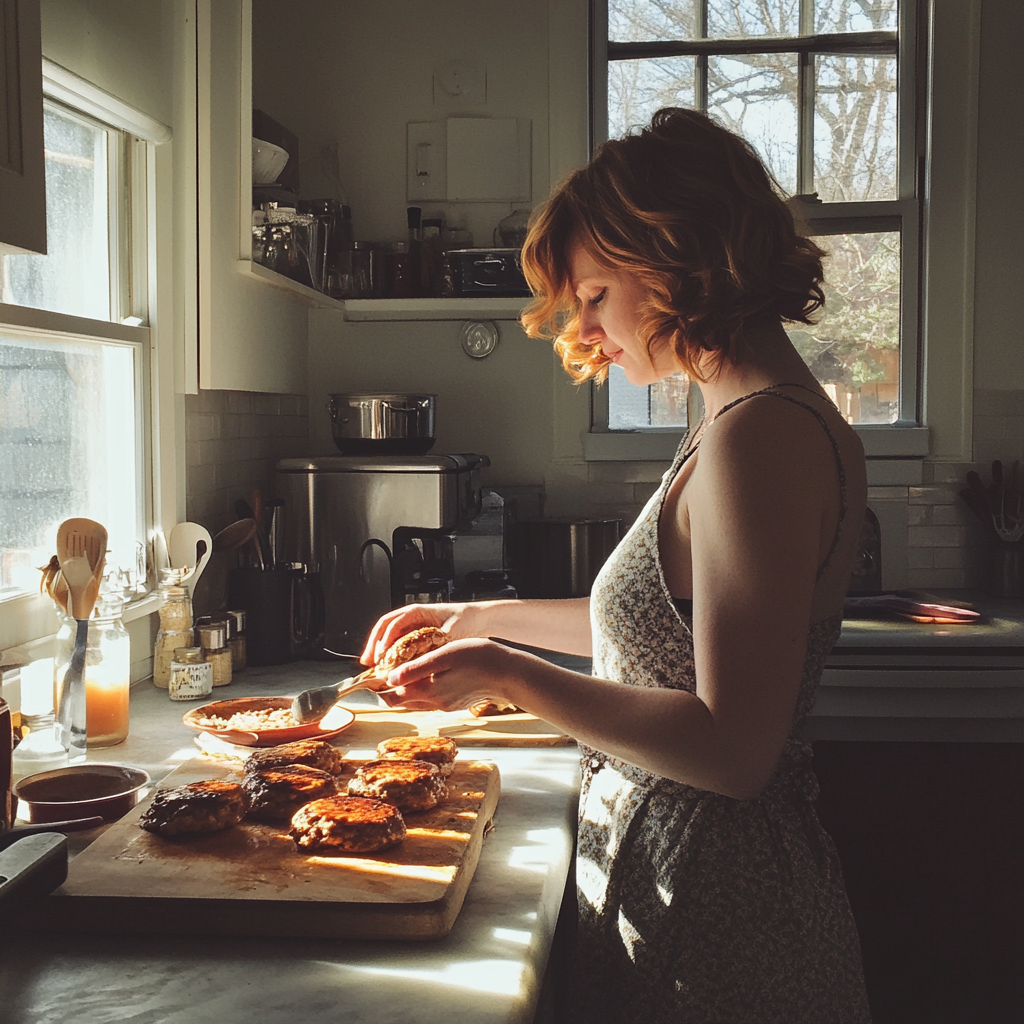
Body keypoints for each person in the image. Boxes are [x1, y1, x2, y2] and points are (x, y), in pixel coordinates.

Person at [360, 108, 872, 1023]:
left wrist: (509, 676)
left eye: (595, 295)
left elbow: (734, 748)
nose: (587, 332)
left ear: (677, 257)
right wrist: (484, 622)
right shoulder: (738, 415)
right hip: (691, 886)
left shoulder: (762, 435)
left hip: (726, 920)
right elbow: (666, 631)